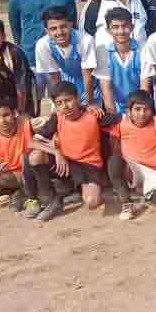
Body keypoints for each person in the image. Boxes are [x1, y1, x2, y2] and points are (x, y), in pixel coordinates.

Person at [29, 82, 121, 221]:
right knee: (35, 156)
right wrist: (56, 152)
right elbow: (32, 142)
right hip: (65, 162)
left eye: (68, 100)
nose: (64, 106)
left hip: (89, 166)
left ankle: (74, 190)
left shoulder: (94, 115)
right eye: (59, 103)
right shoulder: (57, 118)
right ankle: (51, 200)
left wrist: (155, 119)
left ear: (78, 99)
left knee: (92, 202)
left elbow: (123, 120)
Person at [8, 0, 77, 113]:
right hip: (31, 61)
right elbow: (16, 30)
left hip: (60, 62)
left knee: (62, 109)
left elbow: (72, 26)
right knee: (31, 109)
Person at [105, 90, 156, 221]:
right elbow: (113, 145)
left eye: (146, 109)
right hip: (132, 170)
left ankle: (143, 197)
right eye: (137, 109)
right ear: (129, 111)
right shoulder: (121, 124)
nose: (142, 114)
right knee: (114, 161)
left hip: (155, 171)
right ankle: (126, 202)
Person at [35, 6, 99, 107]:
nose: (59, 32)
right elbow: (54, 76)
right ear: (46, 31)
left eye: (63, 26)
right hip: (65, 83)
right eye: (53, 29)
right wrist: (60, 102)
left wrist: (89, 102)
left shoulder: (85, 40)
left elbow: (87, 74)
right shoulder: (42, 45)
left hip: (90, 85)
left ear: (70, 25)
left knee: (91, 115)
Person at [94, 8, 144, 115]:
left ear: (132, 27)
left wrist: (137, 112)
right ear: (108, 30)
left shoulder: (142, 50)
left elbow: (145, 85)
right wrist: (112, 114)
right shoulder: (102, 52)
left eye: (125, 26)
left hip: (139, 105)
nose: (121, 31)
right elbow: (105, 87)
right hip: (115, 105)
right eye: (115, 27)